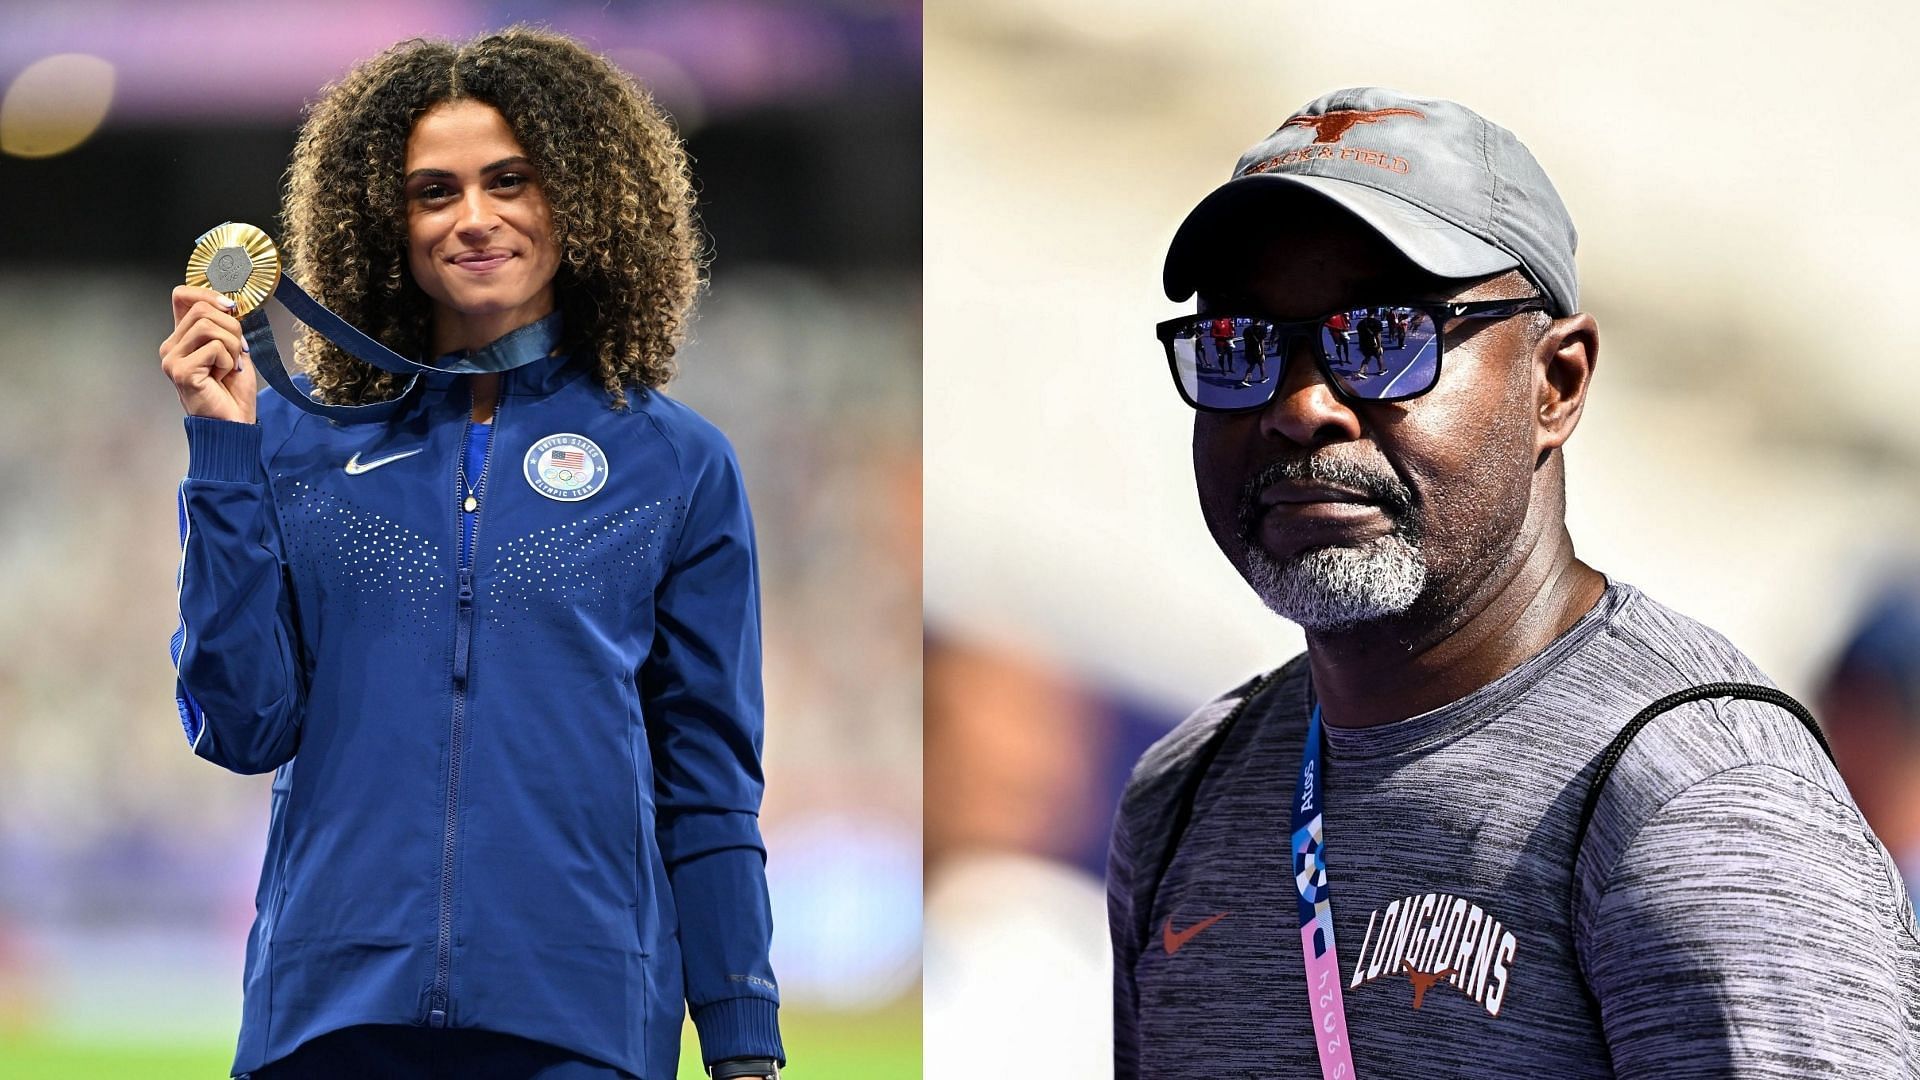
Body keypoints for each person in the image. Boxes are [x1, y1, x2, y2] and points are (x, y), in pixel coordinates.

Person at [1115, 87, 1920, 1077]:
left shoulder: (1695, 797)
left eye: (1380, 337)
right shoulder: (1187, 794)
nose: (1302, 404)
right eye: (1244, 346)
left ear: (1557, 383)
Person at [160, 29, 783, 1080]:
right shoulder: (296, 443)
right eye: (433, 191)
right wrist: (223, 446)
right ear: (384, 221)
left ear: (582, 199)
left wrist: (742, 1037)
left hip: (582, 1022)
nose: (475, 218)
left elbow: (708, 782)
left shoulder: (678, 464)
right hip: (328, 1022)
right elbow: (239, 723)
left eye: (511, 181)